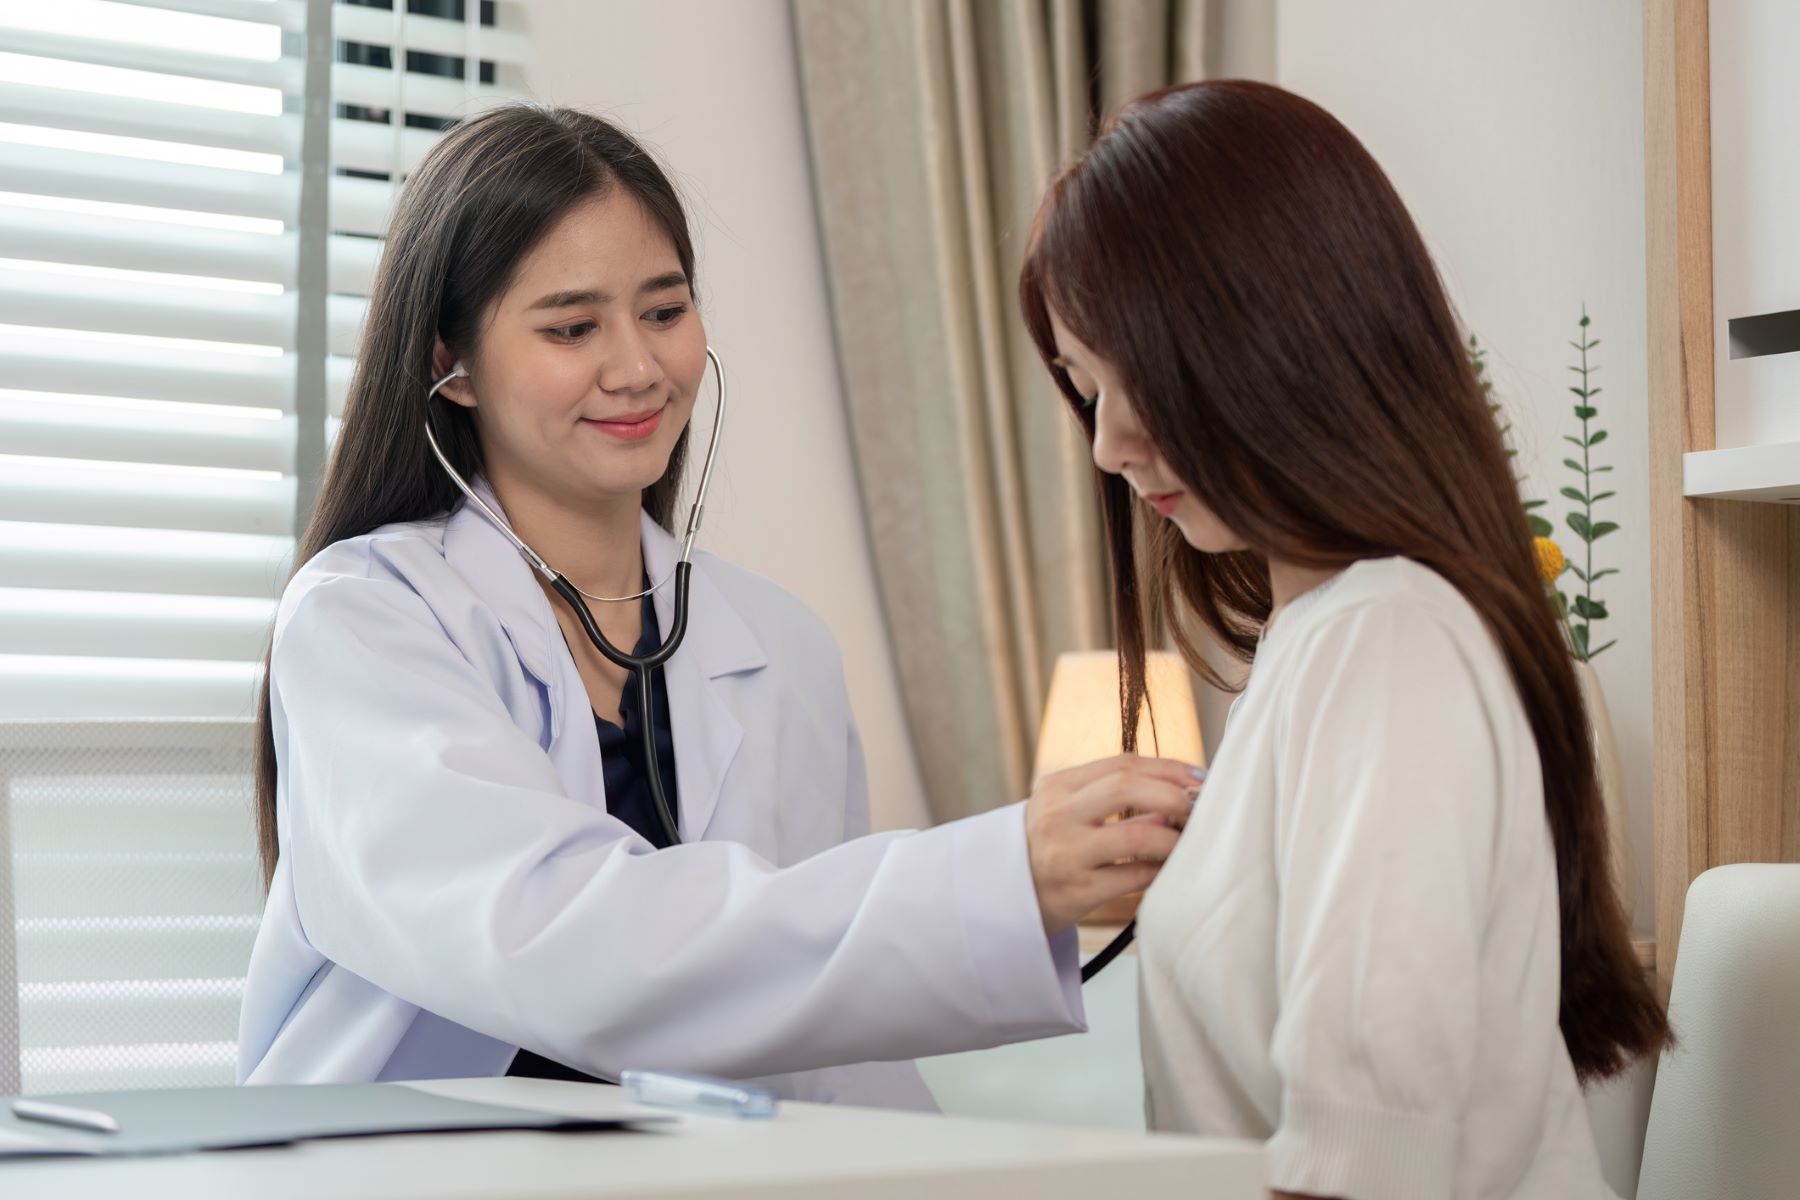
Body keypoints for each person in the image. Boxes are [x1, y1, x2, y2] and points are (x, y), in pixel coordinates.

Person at [237, 104, 1198, 1107]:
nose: (638, 368)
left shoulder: (780, 647)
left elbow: (820, 1018)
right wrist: (1004, 873)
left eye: (663, 311)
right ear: (452, 365)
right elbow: (560, 944)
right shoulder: (366, 621)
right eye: (573, 327)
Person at [1019, 80, 1667, 1198]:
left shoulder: (1388, 642)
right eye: (1088, 392)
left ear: (1281, 337)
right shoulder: (1324, 639)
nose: (1110, 445)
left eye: (1143, 377)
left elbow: (1368, 1153)